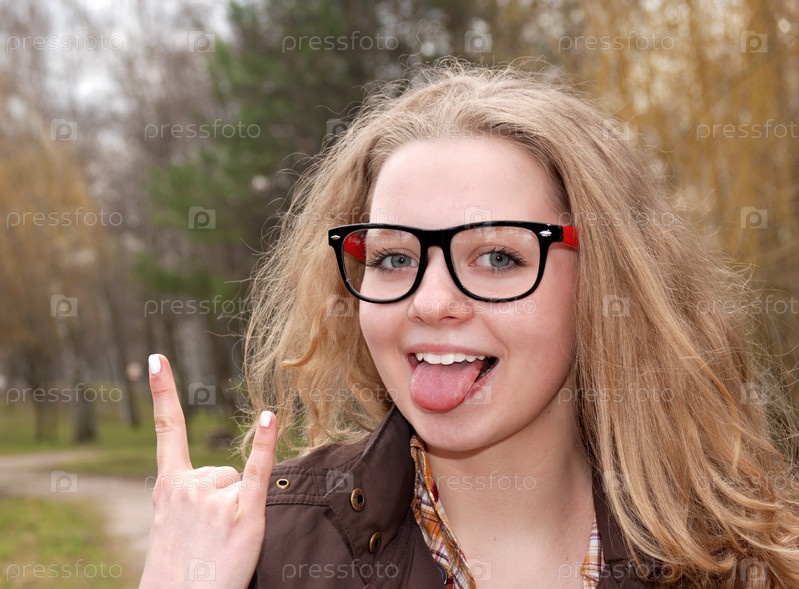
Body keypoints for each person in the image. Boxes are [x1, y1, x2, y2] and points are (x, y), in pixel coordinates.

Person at [139, 62, 799, 588]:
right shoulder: (266, 552)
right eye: (394, 258)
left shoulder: (733, 559)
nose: (430, 302)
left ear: (605, 282)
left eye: (497, 257)